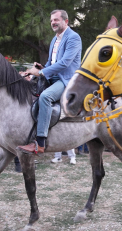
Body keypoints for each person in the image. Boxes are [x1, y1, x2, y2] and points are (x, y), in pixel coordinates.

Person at [17, 9, 82, 161]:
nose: (53, 22)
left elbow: (65, 63)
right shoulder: (54, 39)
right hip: (53, 77)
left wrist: (41, 73)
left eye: (56, 20)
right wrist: (42, 67)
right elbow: (51, 63)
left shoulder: (73, 37)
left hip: (67, 79)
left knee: (45, 97)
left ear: (66, 21)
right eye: (52, 20)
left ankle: (40, 143)